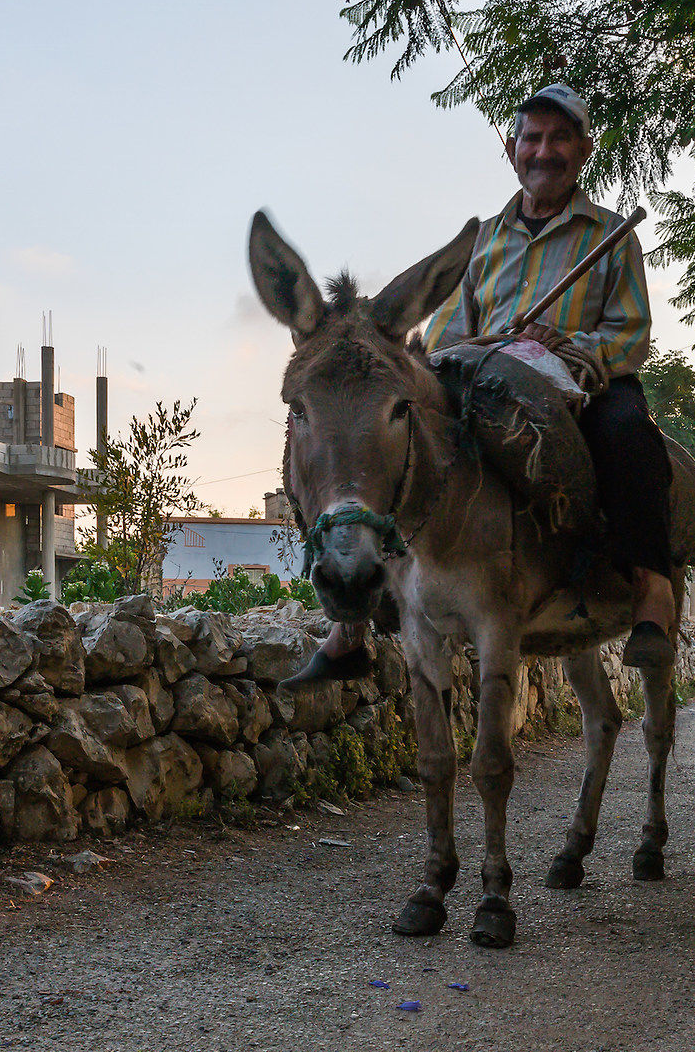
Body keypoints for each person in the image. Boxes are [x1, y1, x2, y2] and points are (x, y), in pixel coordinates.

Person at [287, 82, 675, 686]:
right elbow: (443, 334)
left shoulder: (610, 235)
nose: (544, 150)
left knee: (630, 435)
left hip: (582, 384)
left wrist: (573, 349)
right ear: (513, 150)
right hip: (489, 378)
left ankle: (651, 591)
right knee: (390, 435)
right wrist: (465, 352)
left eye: (559, 138)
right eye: (532, 138)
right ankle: (355, 617)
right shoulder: (485, 240)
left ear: (584, 150)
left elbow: (631, 336)